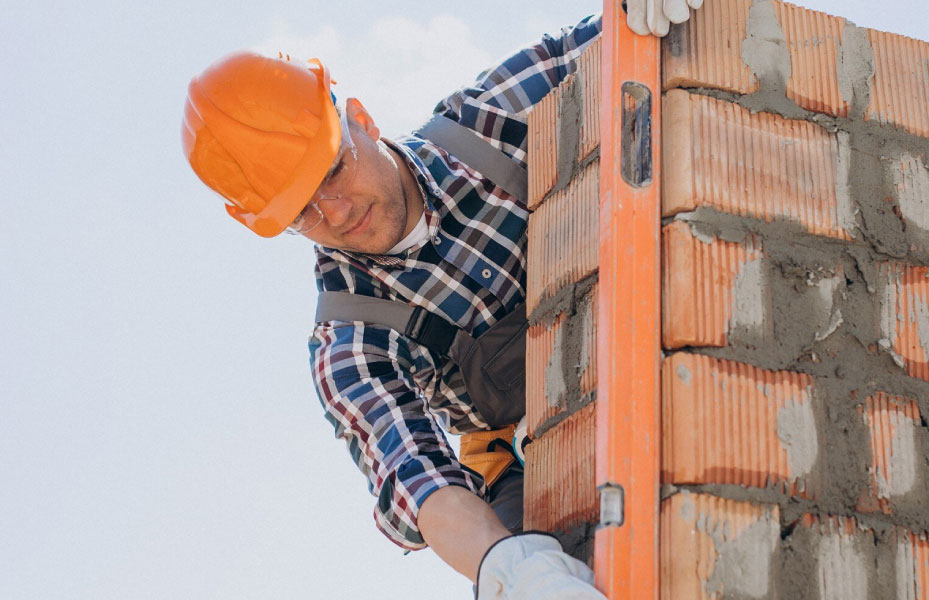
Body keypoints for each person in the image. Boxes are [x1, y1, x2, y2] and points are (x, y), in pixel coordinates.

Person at [180, 2, 701, 598]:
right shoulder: (351, 338)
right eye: (302, 212)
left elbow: (613, 33)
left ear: (359, 118)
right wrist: (513, 571)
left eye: (330, 172)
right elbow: (420, 480)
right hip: (527, 463)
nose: (338, 212)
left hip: (646, 337)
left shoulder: (486, 124)